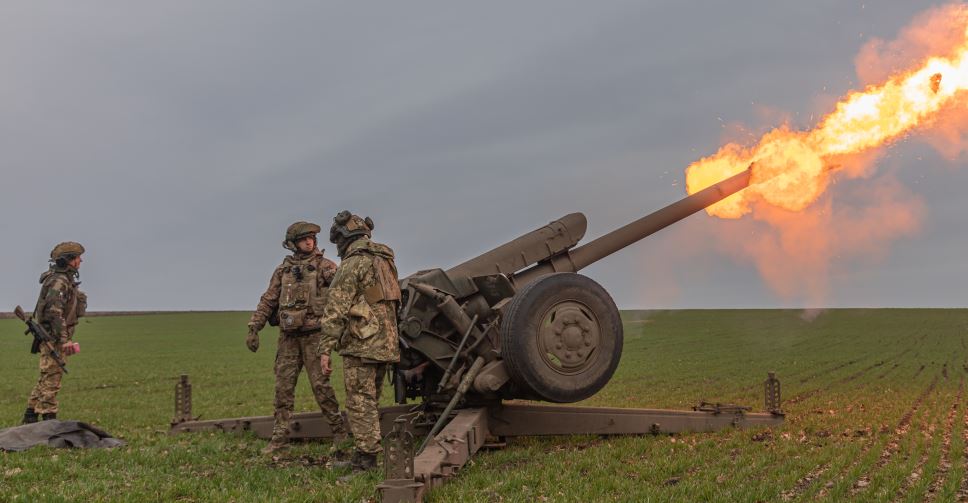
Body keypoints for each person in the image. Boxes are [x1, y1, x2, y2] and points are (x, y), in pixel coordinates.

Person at [247, 221, 347, 454]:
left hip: (315, 337)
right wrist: (254, 327)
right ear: (292, 244)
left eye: (311, 238)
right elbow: (269, 300)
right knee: (283, 389)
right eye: (304, 239)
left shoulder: (325, 267)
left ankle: (339, 432)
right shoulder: (283, 271)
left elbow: (343, 293)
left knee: (321, 387)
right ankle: (279, 438)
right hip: (288, 338)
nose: (309, 242)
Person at [318, 210, 401, 471]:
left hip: (362, 343)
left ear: (344, 238)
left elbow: (336, 307)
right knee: (370, 400)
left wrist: (324, 348)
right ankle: (362, 454)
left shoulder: (354, 263)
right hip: (385, 342)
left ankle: (366, 462)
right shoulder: (385, 260)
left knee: (359, 402)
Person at [23, 242, 87, 424]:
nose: (80, 261)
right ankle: (48, 420)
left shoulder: (63, 280)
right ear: (68, 260)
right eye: (77, 258)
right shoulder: (59, 281)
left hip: (55, 336)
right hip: (54, 338)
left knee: (47, 376)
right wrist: (64, 340)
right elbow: (54, 312)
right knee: (52, 378)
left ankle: (30, 416)